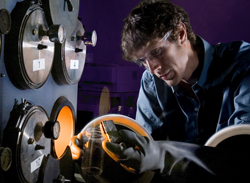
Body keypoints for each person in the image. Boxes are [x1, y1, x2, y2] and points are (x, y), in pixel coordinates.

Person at [71, 0, 250, 182]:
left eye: (157, 52)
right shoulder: (152, 81)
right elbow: (143, 154)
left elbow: (240, 160)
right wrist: (106, 151)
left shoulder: (244, 66)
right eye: (143, 61)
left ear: (181, 34)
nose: (152, 68)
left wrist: (158, 156)